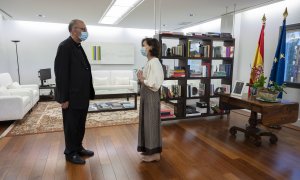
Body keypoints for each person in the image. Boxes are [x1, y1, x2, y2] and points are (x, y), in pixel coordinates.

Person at [54, 19, 95, 164]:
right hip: (71, 97)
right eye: (82, 29)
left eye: (85, 28)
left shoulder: (78, 46)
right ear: (73, 30)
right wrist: (63, 98)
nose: (85, 31)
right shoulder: (65, 46)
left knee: (80, 125)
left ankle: (78, 148)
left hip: (82, 96)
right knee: (71, 126)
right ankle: (70, 152)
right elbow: (61, 74)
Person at [137, 38, 164, 162]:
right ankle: (149, 151)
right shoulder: (150, 62)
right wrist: (142, 78)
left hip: (151, 95)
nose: (142, 48)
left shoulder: (154, 62)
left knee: (151, 123)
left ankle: (155, 154)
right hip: (146, 95)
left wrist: (142, 80)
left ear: (151, 47)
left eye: (144, 46)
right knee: (147, 123)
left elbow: (155, 83)